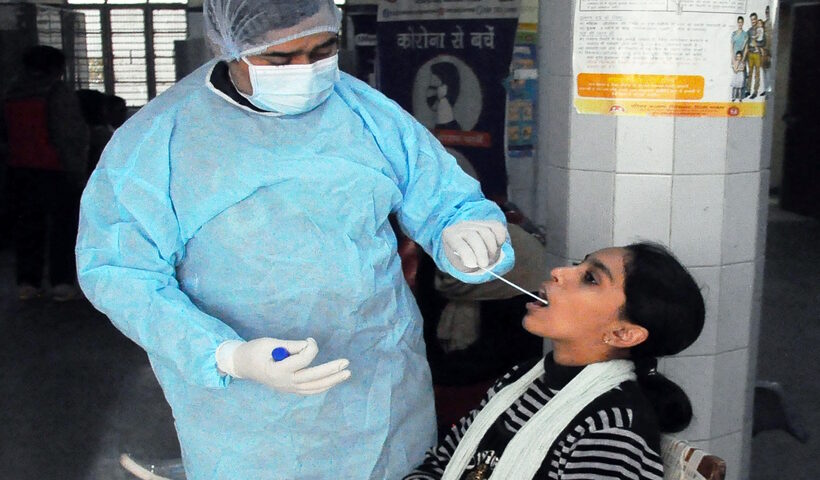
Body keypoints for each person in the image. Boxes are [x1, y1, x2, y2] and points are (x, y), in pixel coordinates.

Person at [75, 0, 515, 478]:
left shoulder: (364, 112)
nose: (306, 71)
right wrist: (225, 355)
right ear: (230, 49)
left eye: (323, 50)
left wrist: (464, 231)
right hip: (246, 414)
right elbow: (121, 273)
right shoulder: (161, 138)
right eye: (280, 58)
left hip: (378, 385)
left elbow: (443, 197)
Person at [404, 242, 705, 480]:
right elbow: (440, 464)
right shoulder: (521, 379)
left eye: (590, 278)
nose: (559, 271)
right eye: (578, 265)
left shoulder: (611, 427)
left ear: (623, 334)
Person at [2, 45, 88, 301]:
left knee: (27, 228)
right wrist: (77, 170)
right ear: (56, 68)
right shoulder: (57, 92)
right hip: (56, 169)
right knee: (62, 228)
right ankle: (61, 282)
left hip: (19, 169)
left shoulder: (11, 92)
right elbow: (68, 135)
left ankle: (27, 282)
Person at [745, 12, 763, 99]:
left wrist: (756, 44)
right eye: (751, 20)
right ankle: (748, 90)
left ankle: (755, 92)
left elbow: (763, 42)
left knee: (757, 73)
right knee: (750, 73)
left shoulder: (760, 29)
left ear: (757, 19)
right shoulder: (748, 31)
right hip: (750, 53)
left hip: (757, 54)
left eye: (754, 19)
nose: (753, 21)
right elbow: (747, 43)